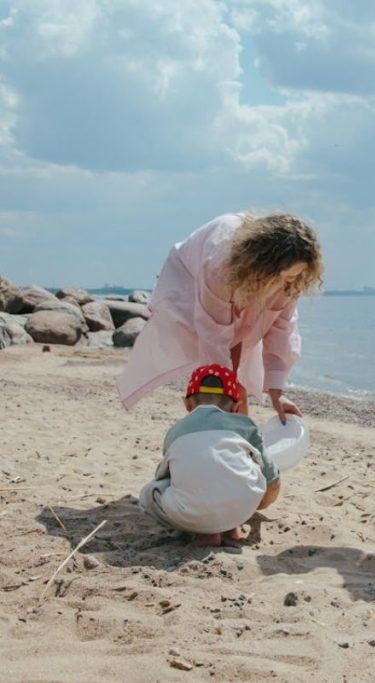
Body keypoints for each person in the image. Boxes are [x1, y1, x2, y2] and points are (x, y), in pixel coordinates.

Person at [116, 212, 323, 423]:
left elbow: (281, 331)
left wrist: (276, 394)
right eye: (283, 276)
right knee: (222, 381)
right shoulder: (220, 264)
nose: (286, 283)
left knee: (235, 374)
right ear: (264, 265)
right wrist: (220, 394)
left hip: (247, 281)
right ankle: (214, 426)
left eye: (294, 276)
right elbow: (214, 335)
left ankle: (236, 433)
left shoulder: (290, 281)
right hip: (191, 276)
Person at [138, 364, 281, 546]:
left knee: (151, 491)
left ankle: (205, 534)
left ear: (188, 404)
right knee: (245, 466)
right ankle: (230, 526)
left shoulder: (175, 432)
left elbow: (165, 476)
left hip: (191, 516)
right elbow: (273, 479)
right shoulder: (247, 426)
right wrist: (257, 504)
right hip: (242, 510)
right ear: (236, 407)